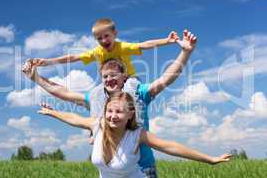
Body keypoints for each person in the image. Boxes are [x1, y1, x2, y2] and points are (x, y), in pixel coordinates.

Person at [22, 29, 197, 177]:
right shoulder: (96, 98)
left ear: (124, 77)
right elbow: (63, 93)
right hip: (111, 171)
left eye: (114, 75)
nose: (109, 79)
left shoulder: (139, 92)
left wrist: (185, 52)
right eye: (105, 76)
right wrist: (36, 78)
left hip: (143, 168)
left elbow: (165, 79)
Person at [37, 92, 232, 178]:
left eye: (119, 112)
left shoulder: (137, 135)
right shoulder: (98, 125)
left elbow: (171, 147)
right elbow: (72, 117)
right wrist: (51, 112)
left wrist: (209, 159)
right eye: (110, 111)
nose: (113, 116)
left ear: (130, 114)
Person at [30, 18, 186, 99]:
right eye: (99, 38)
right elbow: (73, 57)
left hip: (129, 79)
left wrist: (166, 41)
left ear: (115, 34)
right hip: (109, 83)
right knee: (97, 95)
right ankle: (95, 128)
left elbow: (144, 45)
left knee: (131, 89)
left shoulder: (122, 47)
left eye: (106, 36)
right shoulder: (97, 52)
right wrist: (48, 62)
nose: (104, 40)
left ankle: (135, 115)